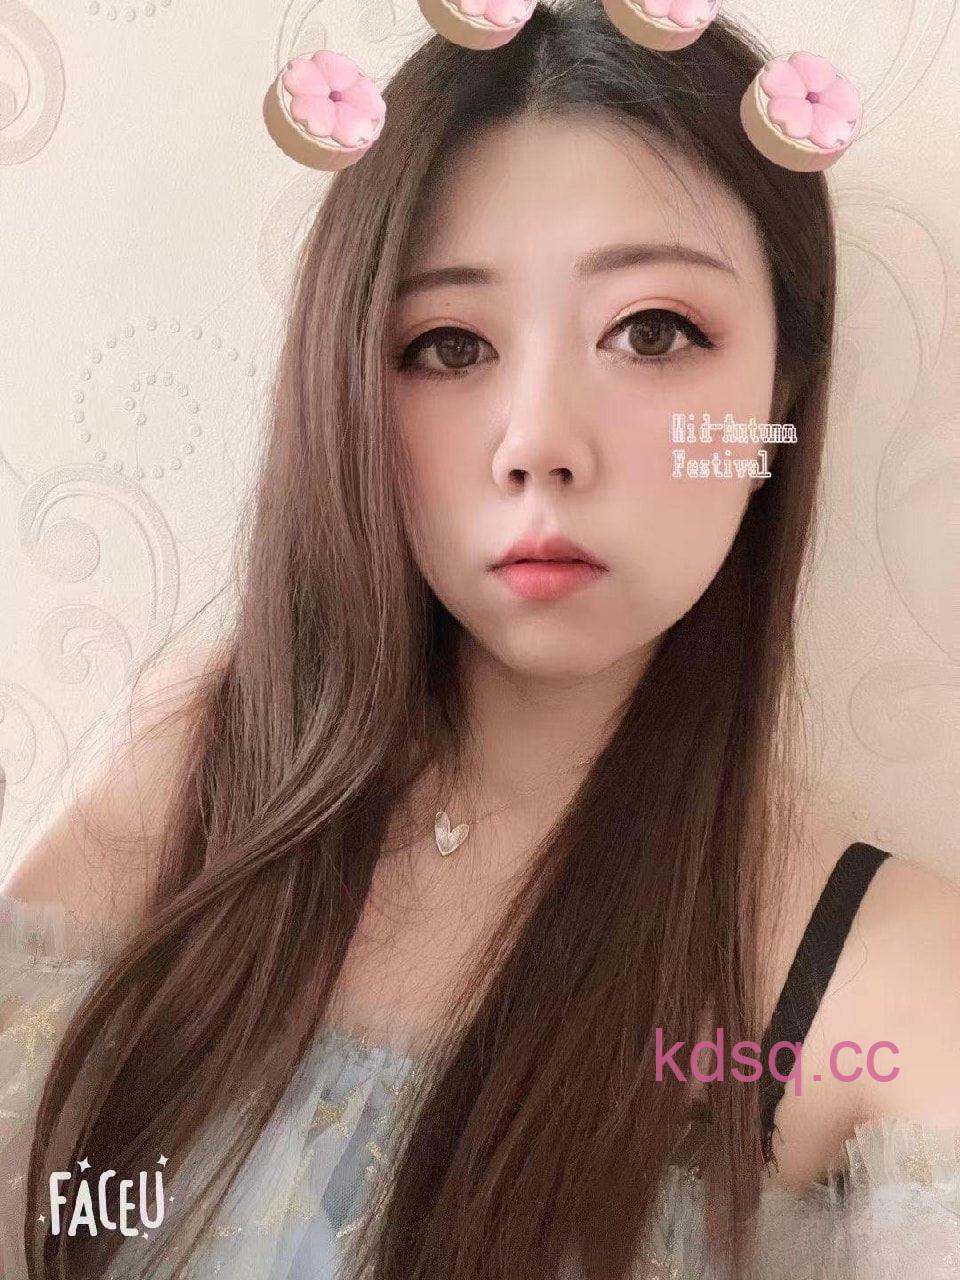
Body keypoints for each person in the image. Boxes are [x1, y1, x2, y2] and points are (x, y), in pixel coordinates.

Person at [1, 3, 958, 1278]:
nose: (537, 441)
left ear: (781, 386)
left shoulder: (880, 986)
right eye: (448, 344)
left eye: (654, 331)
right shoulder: (206, 778)